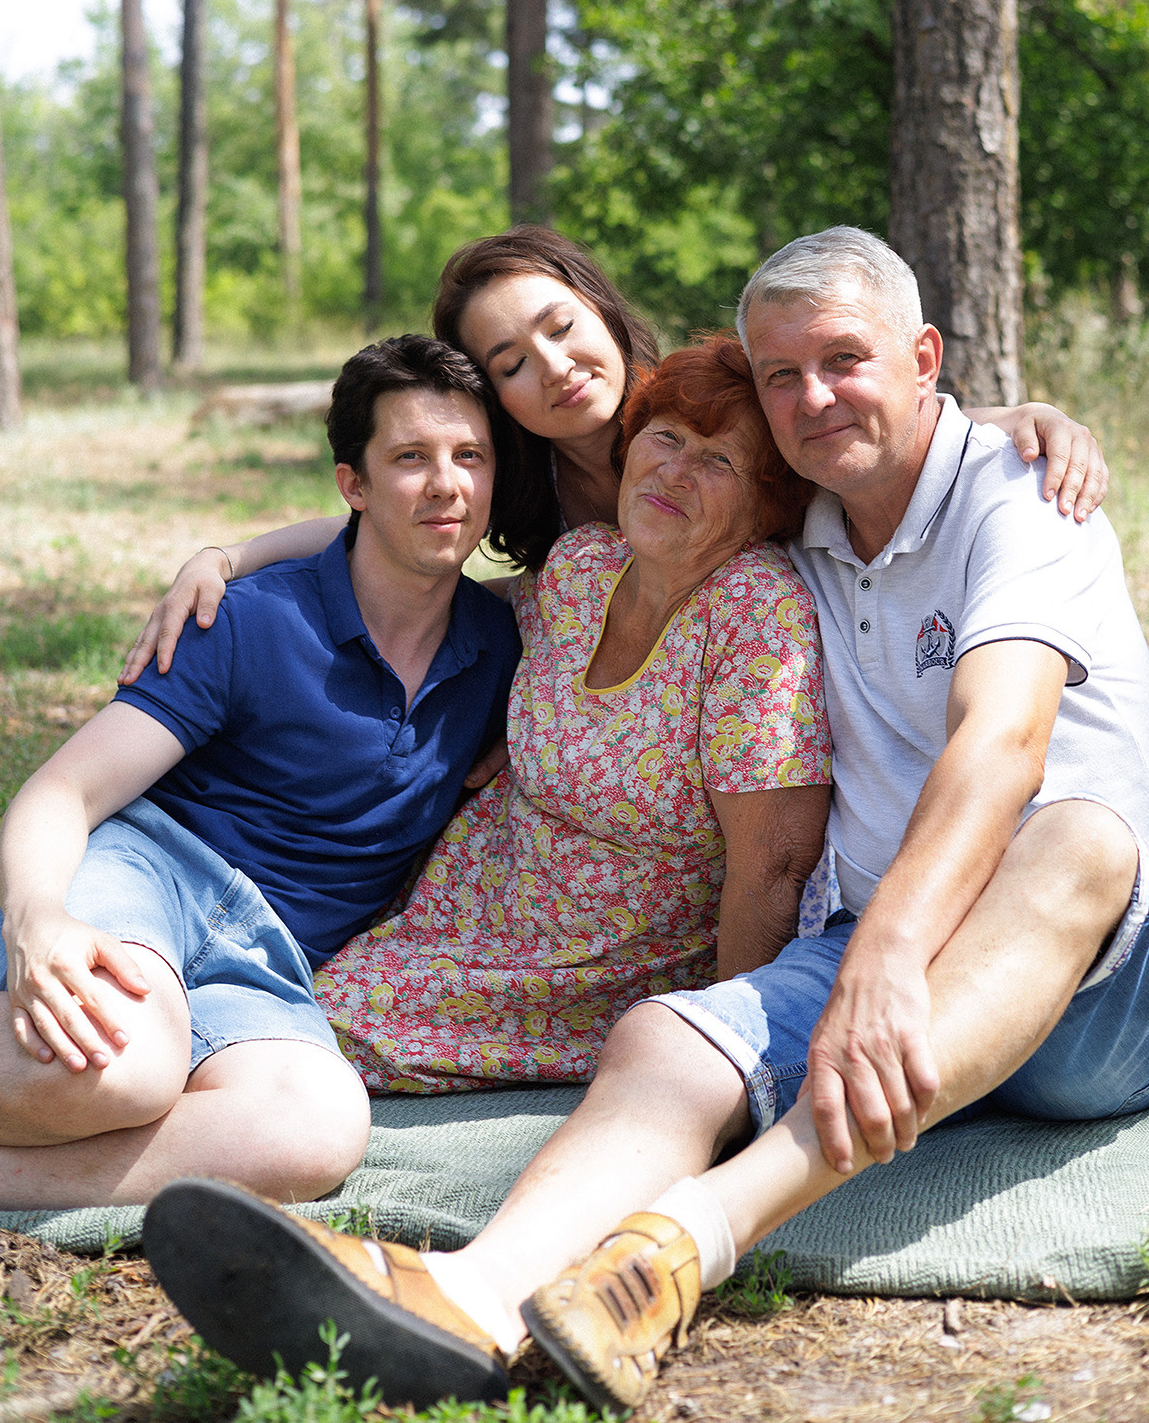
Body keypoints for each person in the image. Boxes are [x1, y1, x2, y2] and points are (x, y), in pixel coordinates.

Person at [143, 229, 1149, 1414]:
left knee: (1078, 835)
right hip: (864, 941)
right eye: (783, 376)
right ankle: (476, 1292)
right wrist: (235, 553)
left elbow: (1002, 743)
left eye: (846, 361)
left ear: (926, 358)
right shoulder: (794, 516)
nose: (813, 398)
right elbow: (445, 560)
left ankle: (688, 1237)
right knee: (662, 1036)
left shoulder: (1017, 500)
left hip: (1105, 994)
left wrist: (891, 957)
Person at [0, 337, 522, 1210]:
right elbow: (62, 792)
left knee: (317, 1128)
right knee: (127, 1065)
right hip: (143, 869)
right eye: (409, 458)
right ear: (354, 484)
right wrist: (36, 920)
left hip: (266, 959)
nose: (446, 484)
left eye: (469, 457)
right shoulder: (248, 622)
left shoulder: (503, 650)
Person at [120, 227, 1110, 687]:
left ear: (599, 305)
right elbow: (393, 533)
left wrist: (1018, 415)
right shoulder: (530, 481)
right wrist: (228, 558)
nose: (552, 366)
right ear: (492, 392)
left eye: (560, 324)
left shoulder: (699, 407)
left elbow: (849, 424)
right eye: (510, 359)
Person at [314, 335, 830, 1093]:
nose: (675, 472)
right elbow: (428, 586)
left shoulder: (755, 615)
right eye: (666, 437)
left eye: (719, 461)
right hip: (457, 900)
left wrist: (728, 1053)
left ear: (769, 501)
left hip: (583, 968)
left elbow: (773, 867)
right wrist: (232, 561)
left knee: (305, 1033)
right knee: (259, 984)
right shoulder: (586, 565)